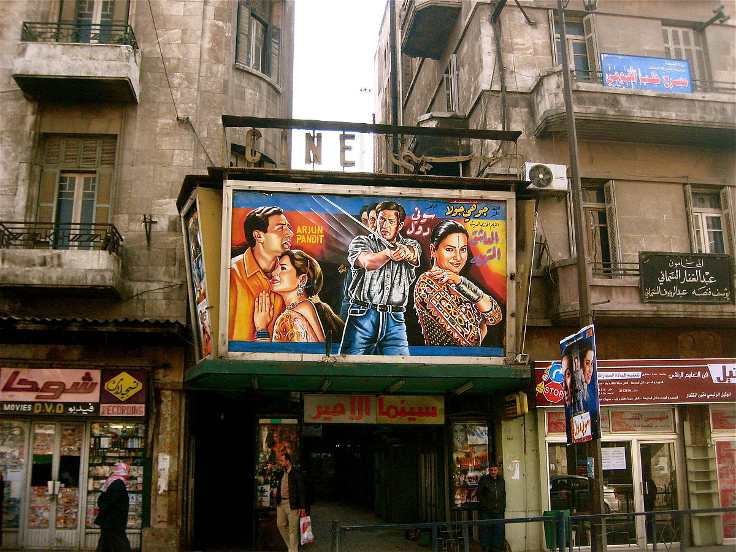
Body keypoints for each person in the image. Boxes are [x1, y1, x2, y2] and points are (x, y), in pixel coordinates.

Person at [340, 201, 421, 355]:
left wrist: (405, 251)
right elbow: (367, 262)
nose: (385, 225)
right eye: (381, 220)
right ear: (376, 220)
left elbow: (413, 253)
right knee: (350, 364)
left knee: (401, 366)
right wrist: (388, 253)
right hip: (362, 316)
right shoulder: (361, 241)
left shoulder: (410, 244)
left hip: (395, 320)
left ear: (400, 225)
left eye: (391, 221)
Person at [414, 221, 502, 346]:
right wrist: (482, 326)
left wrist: (460, 282)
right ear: (433, 250)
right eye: (450, 249)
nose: (458, 257)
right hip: (441, 357)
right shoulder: (427, 283)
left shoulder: (458, 282)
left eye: (463, 249)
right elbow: (472, 339)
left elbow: (495, 316)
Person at [229, 206, 293, 341]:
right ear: (258, 236)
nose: (290, 233)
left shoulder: (291, 276)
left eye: (288, 227)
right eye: (281, 228)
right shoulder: (231, 274)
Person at [254, 249, 344, 342]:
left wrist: (261, 329)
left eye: (283, 268)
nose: (273, 273)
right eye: (275, 268)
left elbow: (275, 353)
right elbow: (320, 347)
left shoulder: (289, 317)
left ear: (302, 280)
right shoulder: (306, 306)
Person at [340, 203, 378, 319]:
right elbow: (347, 298)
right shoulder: (357, 243)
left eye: (372, 220)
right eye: (364, 221)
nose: (368, 225)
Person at [95, 462, 131, 552]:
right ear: (123, 470)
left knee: (106, 544)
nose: (129, 472)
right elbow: (110, 501)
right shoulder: (118, 483)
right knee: (120, 543)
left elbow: (102, 499)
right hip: (114, 521)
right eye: (128, 470)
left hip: (110, 521)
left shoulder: (113, 481)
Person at [275, 452, 306, 552]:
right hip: (281, 503)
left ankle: (293, 550)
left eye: (282, 461)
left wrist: (302, 507)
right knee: (280, 525)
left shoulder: (296, 473)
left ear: (288, 461)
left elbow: (301, 491)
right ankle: (291, 546)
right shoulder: (282, 473)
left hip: (292, 504)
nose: (280, 462)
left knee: (293, 530)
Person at [478, 464, 506, 552]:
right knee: (485, 530)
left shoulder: (501, 480)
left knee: (498, 530)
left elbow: (503, 494)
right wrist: (486, 505)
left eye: (495, 470)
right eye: (491, 470)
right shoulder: (484, 479)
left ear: (498, 470)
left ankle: (496, 548)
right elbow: (479, 494)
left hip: (498, 510)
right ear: (489, 471)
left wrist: (502, 506)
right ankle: (486, 548)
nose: (493, 472)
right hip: (486, 511)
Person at [644, 464, 658, 542]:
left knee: (649, 519)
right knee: (644, 519)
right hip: (644, 503)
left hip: (649, 503)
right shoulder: (642, 481)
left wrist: (652, 498)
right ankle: (645, 535)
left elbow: (654, 490)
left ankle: (650, 535)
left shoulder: (649, 481)